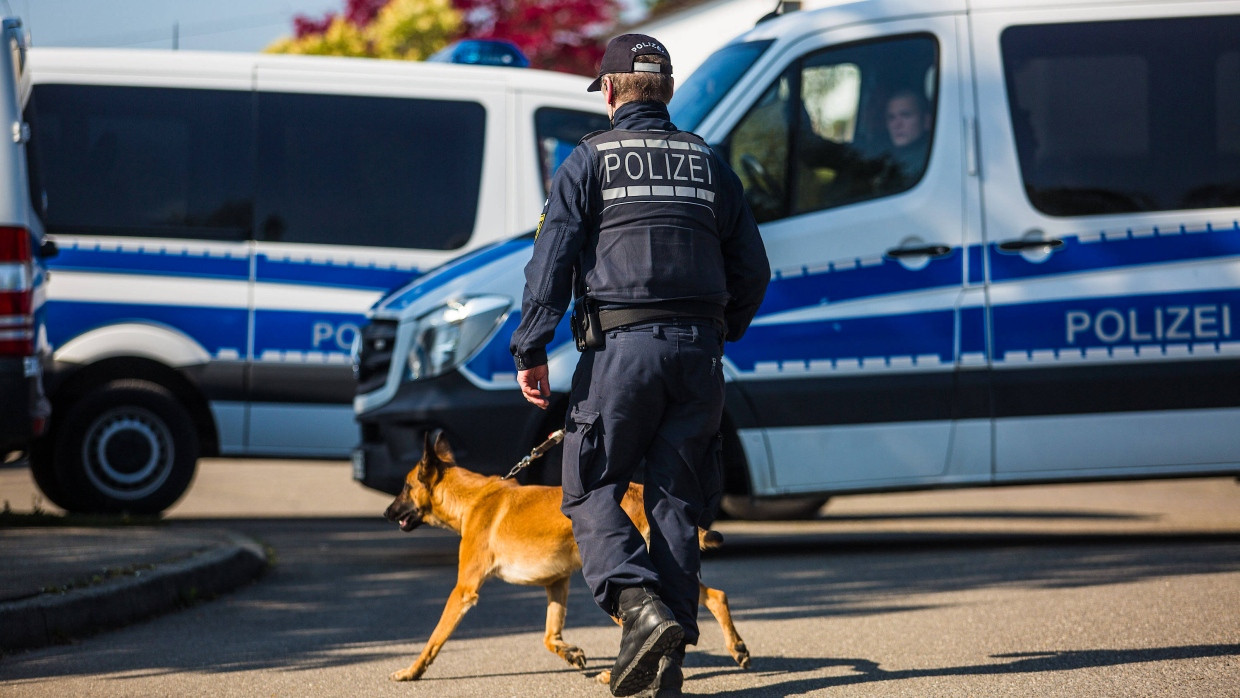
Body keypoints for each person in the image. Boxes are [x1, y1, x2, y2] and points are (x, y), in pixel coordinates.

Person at [509, 33, 769, 698]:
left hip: (619, 356)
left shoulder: (589, 161)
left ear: (609, 90)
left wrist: (531, 345)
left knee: (589, 489)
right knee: (677, 505)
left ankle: (638, 606)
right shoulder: (709, 163)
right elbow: (753, 269)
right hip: (698, 356)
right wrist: (722, 329)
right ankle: (667, 669)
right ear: (670, 91)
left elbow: (553, 258)